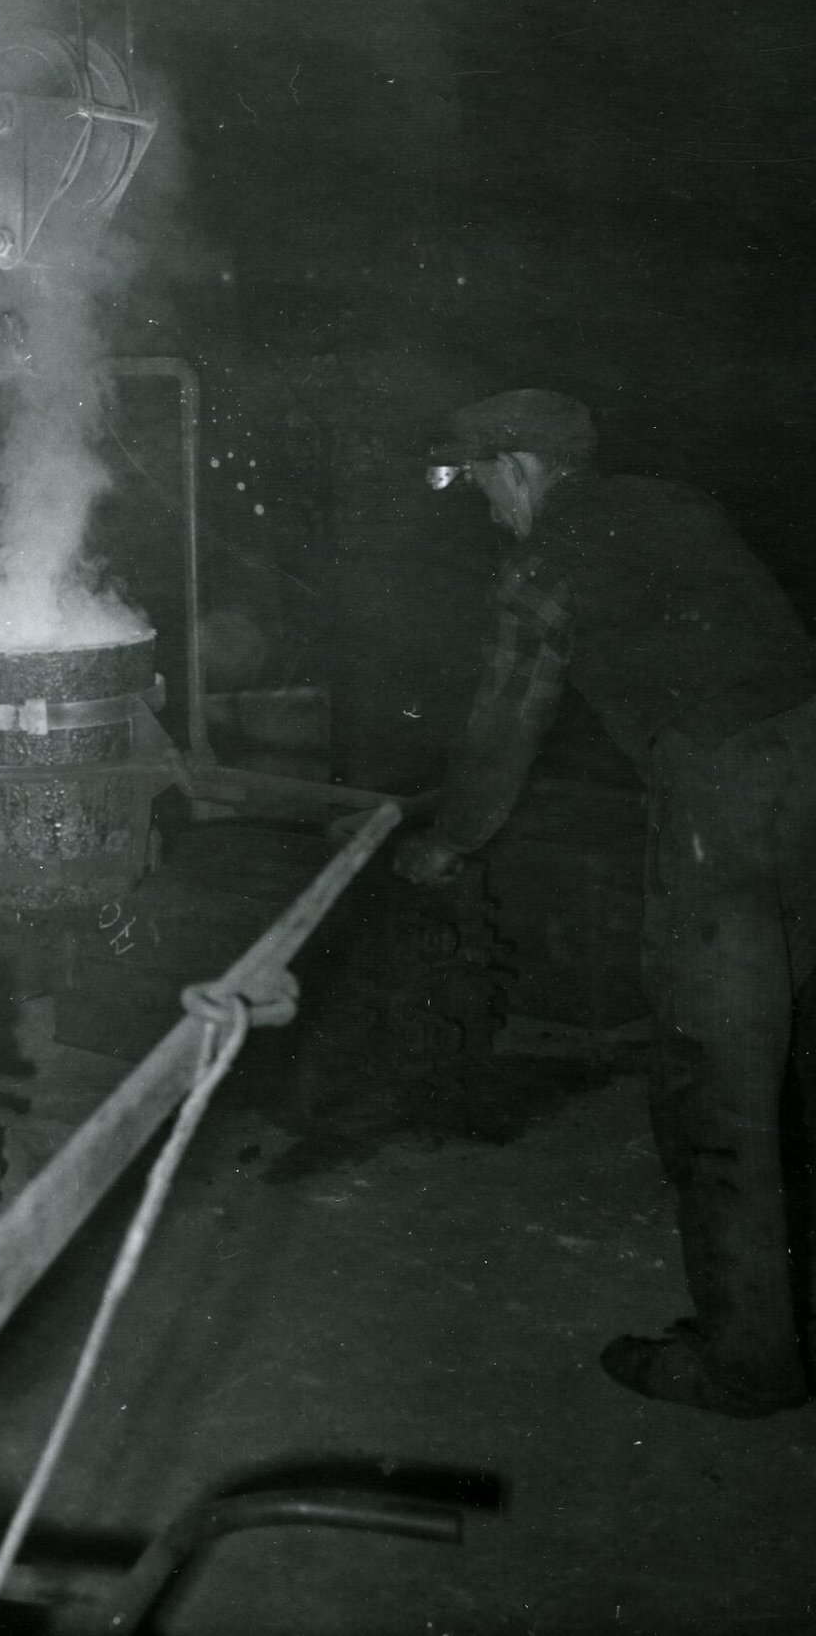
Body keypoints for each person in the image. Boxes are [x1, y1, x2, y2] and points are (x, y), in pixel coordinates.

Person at [394, 387, 816, 1418]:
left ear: (522, 468)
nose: (485, 506)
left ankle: (748, 1356)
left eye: (482, 480)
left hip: (727, 797)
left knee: (718, 1074)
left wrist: (450, 839)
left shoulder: (550, 557)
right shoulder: (675, 505)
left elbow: (507, 717)